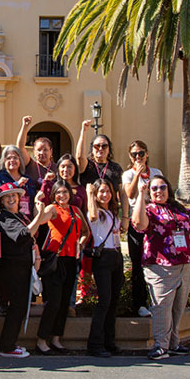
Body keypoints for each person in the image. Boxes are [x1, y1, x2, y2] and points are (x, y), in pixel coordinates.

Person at [131, 175, 190, 360]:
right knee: (161, 307)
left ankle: (173, 343)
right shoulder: (149, 210)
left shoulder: (180, 209)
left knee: (178, 307)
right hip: (160, 266)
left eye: (162, 187)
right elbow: (138, 224)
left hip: (184, 264)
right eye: (154, 188)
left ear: (168, 189)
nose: (158, 191)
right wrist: (141, 194)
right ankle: (160, 346)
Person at [33, 179, 88, 355]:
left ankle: (56, 338)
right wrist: (39, 206)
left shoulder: (76, 210)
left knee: (64, 302)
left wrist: (81, 242)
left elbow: (86, 231)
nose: (62, 195)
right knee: (54, 302)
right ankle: (41, 339)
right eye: (58, 193)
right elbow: (40, 221)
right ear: (54, 195)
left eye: (65, 192)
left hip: (71, 259)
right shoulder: (52, 209)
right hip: (55, 260)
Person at [0, 182, 45, 358]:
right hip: (13, 269)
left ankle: (10, 343)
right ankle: (6, 346)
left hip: (24, 267)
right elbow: (24, 235)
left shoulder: (20, 216)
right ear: (1, 200)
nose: (11, 198)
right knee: (17, 307)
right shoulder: (5, 218)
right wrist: (40, 216)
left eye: (14, 195)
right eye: (7, 196)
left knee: (21, 306)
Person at [122, 140, 162, 318]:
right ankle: (139, 303)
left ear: (147, 154)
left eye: (141, 153)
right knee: (138, 263)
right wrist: (137, 175)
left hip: (155, 221)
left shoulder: (156, 173)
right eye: (134, 154)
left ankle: (158, 301)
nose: (138, 157)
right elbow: (129, 194)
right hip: (136, 222)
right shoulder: (128, 174)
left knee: (157, 261)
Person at [85, 179, 124, 357]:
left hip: (116, 255)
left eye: (107, 191)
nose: (105, 195)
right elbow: (91, 215)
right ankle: (95, 344)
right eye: (101, 191)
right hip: (103, 258)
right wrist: (89, 193)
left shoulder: (111, 212)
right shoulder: (96, 213)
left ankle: (110, 341)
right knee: (104, 301)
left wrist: (122, 192)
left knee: (114, 301)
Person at [0, 144, 37, 219]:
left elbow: (33, 199)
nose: (12, 160)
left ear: (20, 160)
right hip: (7, 220)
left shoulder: (27, 179)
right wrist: (16, 184)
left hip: (26, 219)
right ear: (3, 161)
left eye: (15, 158)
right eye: (8, 158)